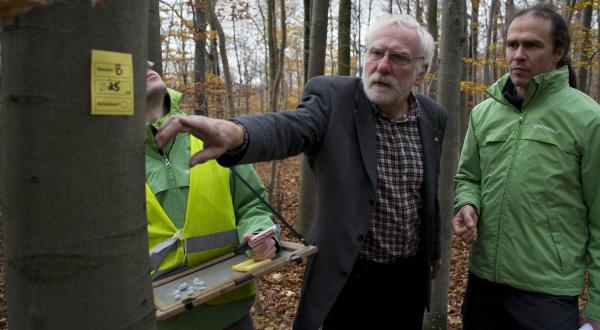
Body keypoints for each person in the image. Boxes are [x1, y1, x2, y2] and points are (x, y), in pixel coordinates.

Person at [155, 14, 447, 330]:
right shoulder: (335, 99)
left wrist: (434, 250)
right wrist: (238, 134)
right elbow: (291, 128)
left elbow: (426, 193)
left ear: (421, 72)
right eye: (376, 53)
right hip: (348, 278)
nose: (382, 65)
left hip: (408, 281)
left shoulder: (433, 117)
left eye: (398, 57)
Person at [452, 4, 600, 329]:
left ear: (558, 51)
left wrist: (598, 307)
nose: (518, 54)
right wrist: (467, 203)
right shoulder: (484, 113)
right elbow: (468, 177)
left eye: (532, 45)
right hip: (482, 288)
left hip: (547, 293)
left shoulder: (589, 119)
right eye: (512, 44)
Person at [145, 60, 277, 330]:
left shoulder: (212, 137)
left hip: (231, 313)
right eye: (133, 56)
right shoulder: (107, 169)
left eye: (148, 57)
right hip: (158, 322)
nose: (148, 61)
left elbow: (252, 205)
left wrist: (259, 232)